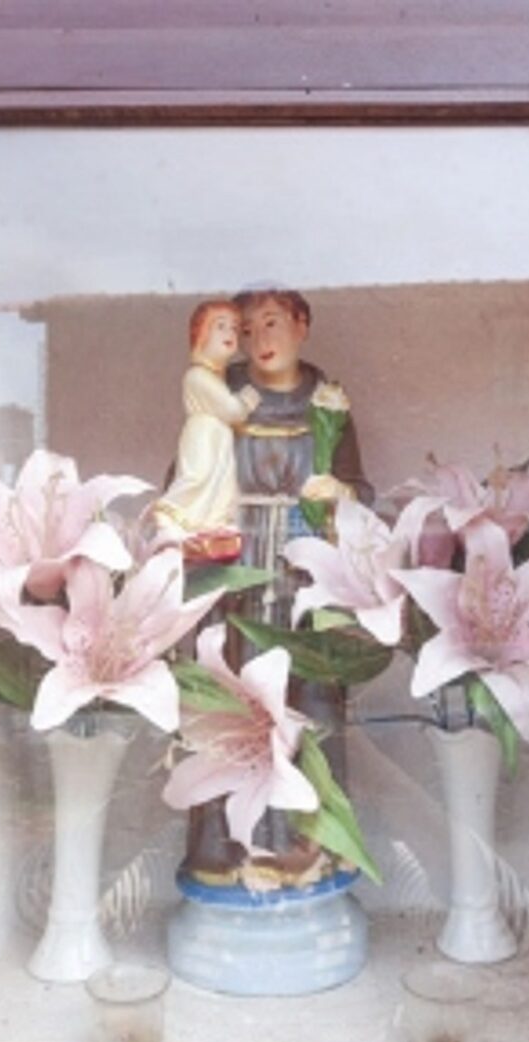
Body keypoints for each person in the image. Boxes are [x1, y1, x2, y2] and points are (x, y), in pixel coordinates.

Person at [183, 287, 373, 887]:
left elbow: (360, 493)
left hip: (304, 574)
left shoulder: (328, 404)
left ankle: (307, 842)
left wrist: (338, 496)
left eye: (271, 323)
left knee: (310, 702)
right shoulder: (222, 400)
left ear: (301, 325)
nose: (260, 340)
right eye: (246, 328)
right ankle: (223, 846)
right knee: (231, 705)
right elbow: (190, 473)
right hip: (237, 573)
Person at [154, 300, 260, 558]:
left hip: (218, 437)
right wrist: (247, 399)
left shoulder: (213, 377)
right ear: (200, 334)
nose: (230, 333)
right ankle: (169, 514)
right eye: (220, 326)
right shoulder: (198, 376)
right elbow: (232, 410)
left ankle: (211, 526)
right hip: (204, 437)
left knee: (222, 485)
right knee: (198, 477)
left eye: (234, 328)